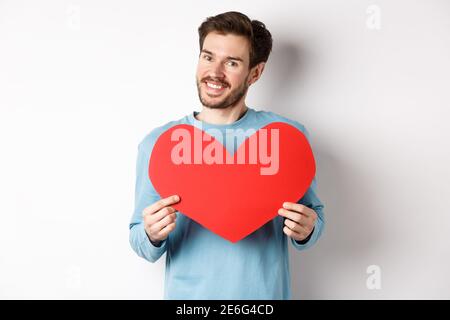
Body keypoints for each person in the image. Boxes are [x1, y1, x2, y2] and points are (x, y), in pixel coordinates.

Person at [129, 11, 325, 299]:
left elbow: (314, 220)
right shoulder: (160, 144)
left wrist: (307, 229)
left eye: (231, 63)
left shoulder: (287, 139)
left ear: (255, 73)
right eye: (208, 57)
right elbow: (139, 241)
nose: (215, 72)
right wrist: (152, 233)